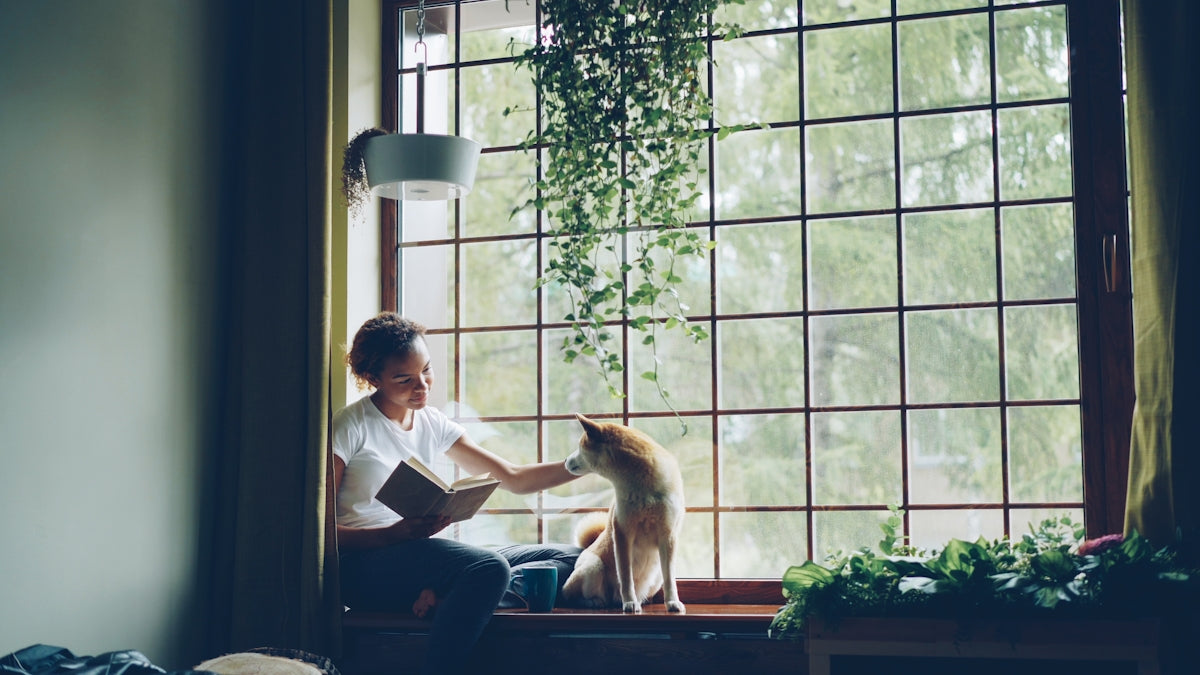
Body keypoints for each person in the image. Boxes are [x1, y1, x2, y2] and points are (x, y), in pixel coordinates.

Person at [333, 312, 582, 675]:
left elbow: (513, 478)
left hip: (422, 557)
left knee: (572, 557)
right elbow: (317, 534)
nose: (422, 387)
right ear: (373, 378)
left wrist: (586, 463)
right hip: (366, 567)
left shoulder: (432, 422)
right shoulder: (350, 426)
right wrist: (394, 534)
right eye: (404, 379)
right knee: (489, 567)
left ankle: (447, 596)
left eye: (426, 371)